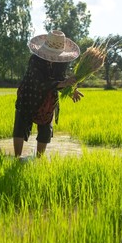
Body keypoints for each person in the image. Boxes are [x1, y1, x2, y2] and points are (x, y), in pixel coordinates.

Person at [13, 30, 84, 158]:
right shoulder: (35, 60)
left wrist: (71, 90)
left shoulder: (62, 62)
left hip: (48, 99)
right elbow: (38, 82)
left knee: (45, 129)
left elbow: (60, 79)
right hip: (29, 94)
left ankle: (39, 160)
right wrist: (63, 84)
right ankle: (17, 158)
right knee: (20, 126)